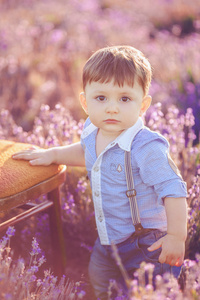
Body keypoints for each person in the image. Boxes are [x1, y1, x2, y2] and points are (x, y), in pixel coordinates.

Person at [13, 46, 188, 300]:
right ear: (85, 102)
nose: (112, 108)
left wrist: (176, 236)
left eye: (125, 99)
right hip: (108, 242)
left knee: (152, 292)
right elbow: (87, 153)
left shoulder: (146, 147)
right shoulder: (92, 130)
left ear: (143, 105)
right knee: (100, 285)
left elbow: (174, 190)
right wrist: (53, 154)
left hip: (148, 245)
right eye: (101, 98)